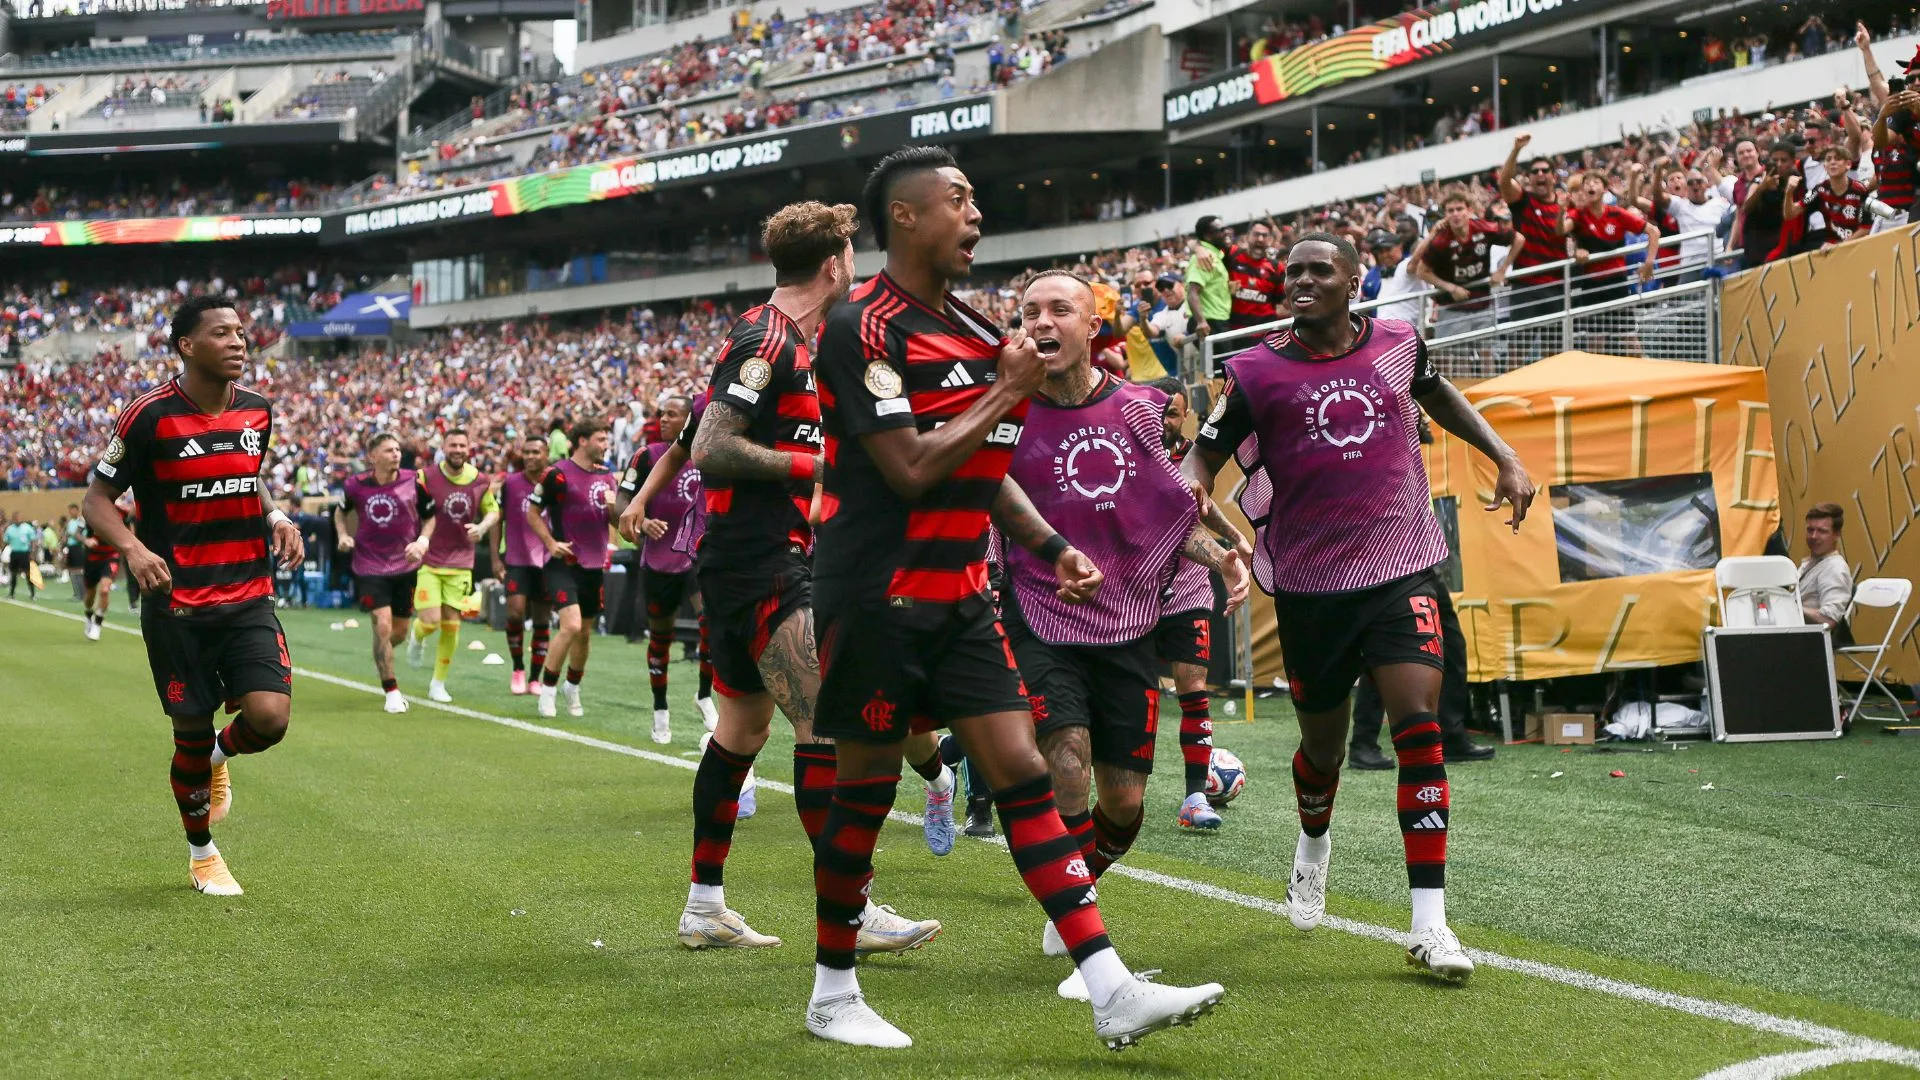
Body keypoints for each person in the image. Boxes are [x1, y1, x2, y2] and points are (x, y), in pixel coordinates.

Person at [807, 145, 1224, 1050]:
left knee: (1029, 779)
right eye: (958, 200)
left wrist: (1052, 545)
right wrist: (1004, 391)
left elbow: (983, 465)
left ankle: (1110, 988)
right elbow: (911, 466)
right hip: (876, 597)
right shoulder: (860, 327)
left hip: (963, 598)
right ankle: (832, 994)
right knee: (865, 794)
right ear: (905, 216)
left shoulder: (970, 327)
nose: (976, 215)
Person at [1182, 233, 1535, 982]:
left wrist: (1503, 455)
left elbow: (1437, 394)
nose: (1301, 281)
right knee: (1324, 752)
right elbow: (1201, 460)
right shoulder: (1253, 372)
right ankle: (1314, 844)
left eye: (1320, 270)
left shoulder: (1399, 343)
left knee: (1419, 730)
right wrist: (1188, 509)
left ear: (1354, 282)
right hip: (1311, 588)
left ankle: (1430, 925)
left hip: (1401, 571)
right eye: (1293, 273)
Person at [620, 202, 943, 955]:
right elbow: (711, 446)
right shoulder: (764, 340)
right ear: (834, 264)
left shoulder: (790, 341)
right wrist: (816, 466)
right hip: (762, 561)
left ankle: (704, 906)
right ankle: (852, 909)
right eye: (852, 256)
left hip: (744, 561)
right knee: (825, 723)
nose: (856, 267)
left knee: (740, 731)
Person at [1004, 273, 1249, 1005]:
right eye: (1029, 312)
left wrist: (1224, 556)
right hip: (1039, 614)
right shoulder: (1004, 409)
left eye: (1059, 310)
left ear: (1093, 325)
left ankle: (1074, 890)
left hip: (1127, 623)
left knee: (1124, 802)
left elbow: (1171, 517)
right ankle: (1090, 944)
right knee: (1067, 763)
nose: (1041, 322)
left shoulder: (1143, 409)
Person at [82, 295, 305, 897]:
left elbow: (247, 474)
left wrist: (276, 513)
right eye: (222, 333)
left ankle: (215, 757)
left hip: (249, 593)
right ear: (187, 346)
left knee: (270, 718)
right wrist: (133, 549)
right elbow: (96, 500)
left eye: (241, 333)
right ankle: (203, 854)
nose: (239, 342)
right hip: (177, 605)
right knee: (188, 728)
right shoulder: (148, 416)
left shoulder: (257, 411)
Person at [1145, 375, 1236, 830]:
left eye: (1173, 413)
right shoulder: (1129, 453)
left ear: (1186, 417)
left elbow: (1201, 510)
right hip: (1134, 595)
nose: (1165, 420)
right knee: (1129, 697)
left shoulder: (1196, 459)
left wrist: (1236, 538)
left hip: (1189, 592)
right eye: (1159, 412)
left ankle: (1195, 797)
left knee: (1193, 689)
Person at [614, 394, 715, 743]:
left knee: (711, 624)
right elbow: (621, 503)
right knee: (661, 637)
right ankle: (660, 709)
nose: (664, 419)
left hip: (698, 557)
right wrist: (642, 522)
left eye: (672, 414)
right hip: (659, 558)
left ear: (690, 419)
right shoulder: (646, 456)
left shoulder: (708, 451)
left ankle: (704, 695)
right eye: (662, 413)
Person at [525, 419, 618, 718]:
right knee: (571, 626)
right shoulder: (557, 474)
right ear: (582, 441)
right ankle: (547, 691)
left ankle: (573, 687)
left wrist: (614, 507)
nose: (605, 445)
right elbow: (532, 511)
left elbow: (616, 522)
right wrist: (550, 543)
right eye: (601, 439)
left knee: (584, 634)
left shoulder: (607, 476)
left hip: (594, 567)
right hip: (563, 563)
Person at [336, 431, 431, 715]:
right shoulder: (355, 485)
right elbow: (340, 512)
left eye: (397, 450)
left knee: (397, 632)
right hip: (369, 566)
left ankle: (382, 655)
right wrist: (343, 535)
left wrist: (422, 542)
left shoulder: (414, 481)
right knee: (382, 625)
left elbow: (431, 516)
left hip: (405, 565)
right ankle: (392, 691)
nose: (396, 454)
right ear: (373, 456)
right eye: (389, 450)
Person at [407, 429, 499, 703]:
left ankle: (438, 683)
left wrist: (482, 527)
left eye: (462, 445)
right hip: (430, 559)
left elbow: (493, 511)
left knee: (451, 625)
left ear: (468, 449)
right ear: (444, 448)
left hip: (461, 561)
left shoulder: (480, 480)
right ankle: (417, 637)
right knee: (430, 621)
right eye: (453, 445)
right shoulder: (425, 476)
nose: (457, 450)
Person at [492, 435, 554, 695]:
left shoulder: (556, 481)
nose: (530, 457)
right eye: (527, 452)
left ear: (546, 454)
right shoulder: (510, 483)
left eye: (536, 452)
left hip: (547, 560)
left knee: (541, 619)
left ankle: (535, 678)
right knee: (515, 613)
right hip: (516, 559)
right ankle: (518, 668)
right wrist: (495, 558)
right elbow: (497, 519)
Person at [1415, 190, 1522, 339]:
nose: (1455, 214)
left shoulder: (1483, 228)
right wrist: (1451, 288)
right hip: (1453, 308)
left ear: (1469, 210)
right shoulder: (1440, 241)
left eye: (1460, 209)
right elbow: (1421, 271)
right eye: (1450, 211)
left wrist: (1501, 271)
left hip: (1482, 303)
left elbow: (1519, 239)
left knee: (1487, 351)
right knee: (1456, 353)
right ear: (1445, 215)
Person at [1495, 133, 1568, 316]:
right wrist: (1516, 150)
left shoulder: (1565, 206)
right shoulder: (1523, 201)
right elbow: (1504, 182)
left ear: (1554, 177)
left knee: (1557, 336)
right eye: (1535, 172)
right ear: (1529, 178)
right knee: (1522, 336)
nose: (1540, 174)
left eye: (1545, 170)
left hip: (1557, 286)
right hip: (1525, 287)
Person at [1798, 502, 1854, 645]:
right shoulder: (1811, 563)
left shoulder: (1835, 568)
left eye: (1822, 531)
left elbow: (1829, 620)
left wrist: (1790, 606)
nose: (1814, 536)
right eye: (1810, 530)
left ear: (1836, 534)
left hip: (1809, 644)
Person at [1223, 219, 1285, 334]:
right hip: (1235, 333)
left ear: (1270, 239)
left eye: (1264, 235)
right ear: (1247, 237)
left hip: (1265, 334)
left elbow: (1284, 301)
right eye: (1256, 234)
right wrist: (1198, 248)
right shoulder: (1232, 254)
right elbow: (1207, 244)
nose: (1260, 239)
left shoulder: (1277, 267)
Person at [79, 506, 124, 641]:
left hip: (111, 555)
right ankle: (89, 615)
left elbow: (129, 530)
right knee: (90, 596)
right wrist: (86, 540)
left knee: (104, 590)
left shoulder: (121, 512)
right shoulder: (89, 511)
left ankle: (97, 625)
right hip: (92, 558)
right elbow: (77, 532)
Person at [1184, 215, 1232, 340]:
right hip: (1210, 322)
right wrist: (1201, 321)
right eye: (1221, 230)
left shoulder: (1216, 255)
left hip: (1218, 319)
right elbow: (1192, 291)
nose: (1226, 232)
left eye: (1226, 228)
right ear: (1207, 236)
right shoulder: (1204, 258)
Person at [4, 511, 35, 599]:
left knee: (28, 573)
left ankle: (32, 594)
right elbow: (6, 540)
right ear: (13, 519)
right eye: (16, 518)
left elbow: (33, 540)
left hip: (24, 553)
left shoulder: (27, 528)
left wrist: (32, 552)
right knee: (13, 573)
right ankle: (11, 593)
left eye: (19, 517)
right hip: (14, 553)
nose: (18, 519)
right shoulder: (10, 529)